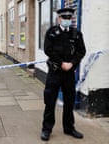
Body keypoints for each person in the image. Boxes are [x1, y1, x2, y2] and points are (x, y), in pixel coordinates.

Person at [41, 8, 86, 141]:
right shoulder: (52, 33)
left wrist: (72, 63)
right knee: (50, 101)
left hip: (69, 74)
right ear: (59, 19)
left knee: (69, 101)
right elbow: (48, 50)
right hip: (55, 72)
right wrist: (61, 63)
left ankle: (69, 128)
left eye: (69, 18)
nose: (67, 20)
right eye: (64, 18)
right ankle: (46, 129)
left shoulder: (76, 34)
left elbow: (81, 51)